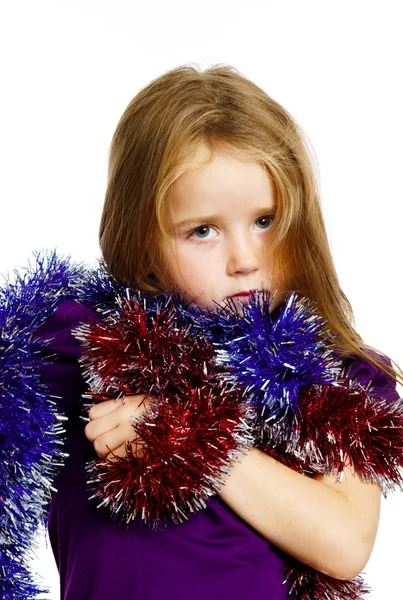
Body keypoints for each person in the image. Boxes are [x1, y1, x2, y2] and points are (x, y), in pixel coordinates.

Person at [33, 64, 402, 600]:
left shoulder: (336, 377)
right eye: (202, 231)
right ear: (144, 243)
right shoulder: (80, 351)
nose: (246, 259)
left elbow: (344, 542)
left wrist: (190, 435)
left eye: (266, 220)